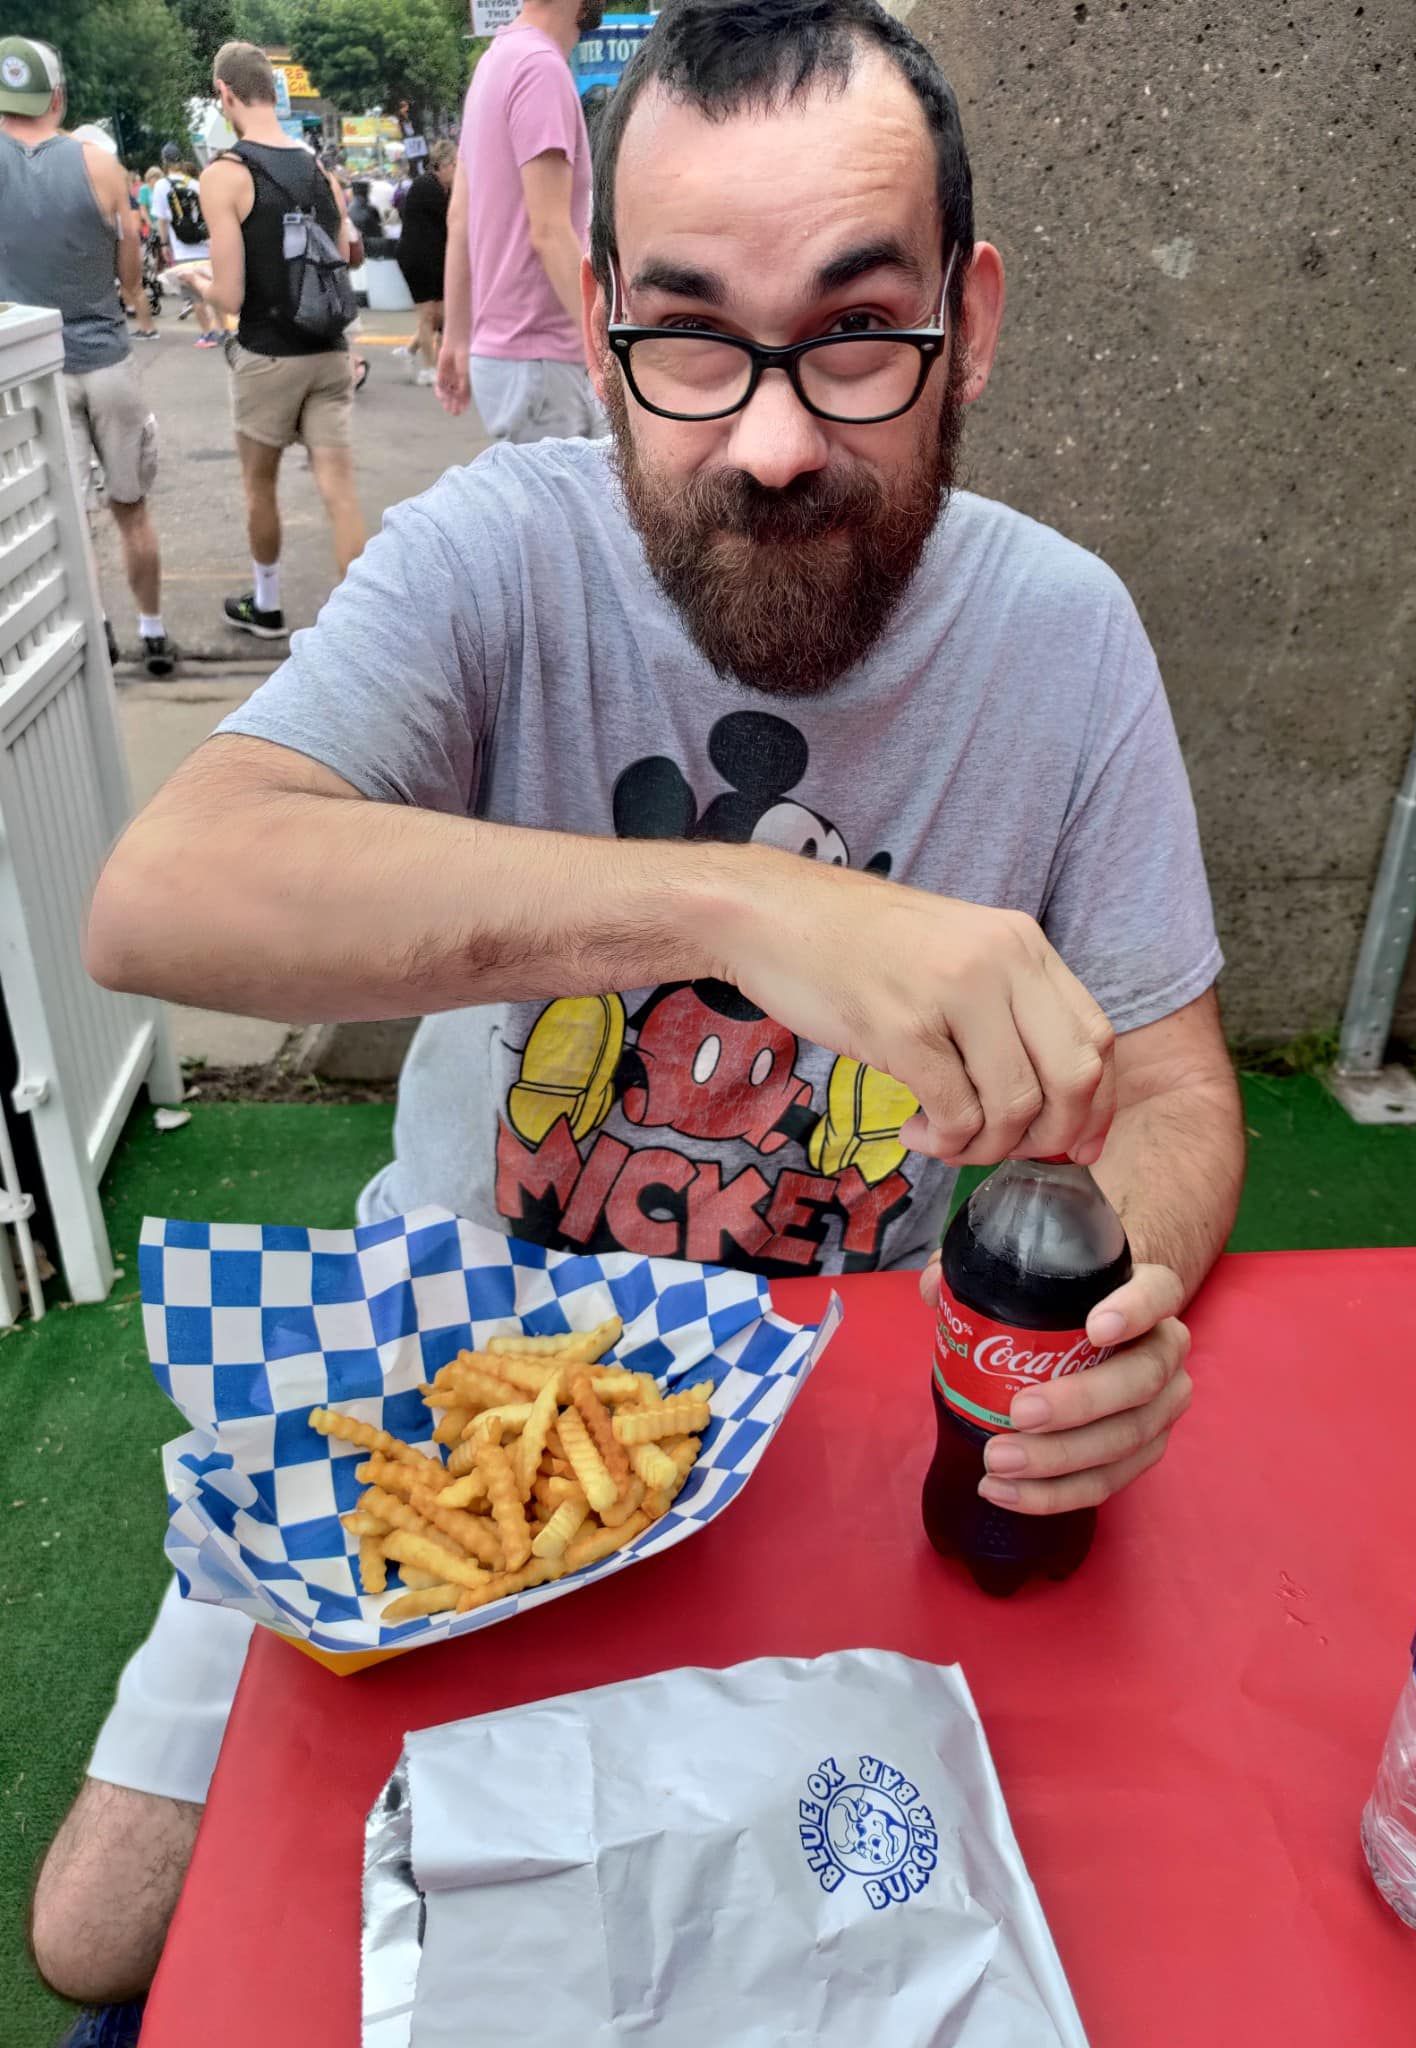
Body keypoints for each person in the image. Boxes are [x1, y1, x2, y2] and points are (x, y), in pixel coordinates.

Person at [36, 0, 1246, 2030]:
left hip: (856, 1438)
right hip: (431, 1399)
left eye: (859, 332)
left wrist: (1127, 1293)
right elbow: (167, 896)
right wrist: (739, 905)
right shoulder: (503, 555)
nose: (771, 437)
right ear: (596, 324)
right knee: (103, 1934)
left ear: (979, 319)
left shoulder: (1067, 642)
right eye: (690, 333)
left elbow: (1181, 1085)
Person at [0, 35, 178, 675]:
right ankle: (154, 634)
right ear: (58, 95)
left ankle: (96, 632)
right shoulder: (101, 165)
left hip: (30, 371)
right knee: (132, 510)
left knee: (68, 521)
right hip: (105, 359)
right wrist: (130, 296)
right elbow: (131, 258)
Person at [186, 40, 365, 641]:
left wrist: (195, 281)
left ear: (225, 94)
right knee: (339, 492)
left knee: (259, 486)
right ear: (273, 90)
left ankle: (266, 606)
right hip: (330, 355)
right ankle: (360, 631)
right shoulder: (320, 172)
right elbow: (341, 262)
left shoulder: (226, 175)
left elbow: (231, 296)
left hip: (267, 357)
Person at [437, 0, 608, 441]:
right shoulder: (540, 68)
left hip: (508, 354)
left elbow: (460, 217)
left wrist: (456, 337)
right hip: (545, 355)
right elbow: (550, 231)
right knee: (579, 508)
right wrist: (607, 347)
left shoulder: (496, 60)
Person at [395, 139, 454, 385]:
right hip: (417, 257)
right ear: (443, 164)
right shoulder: (426, 186)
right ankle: (429, 369)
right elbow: (450, 219)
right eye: (455, 165)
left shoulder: (446, 189)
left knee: (443, 316)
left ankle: (409, 351)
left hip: (437, 257)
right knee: (429, 314)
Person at [150, 142, 220, 348]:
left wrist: (164, 244)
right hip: (204, 245)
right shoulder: (195, 183)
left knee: (195, 296)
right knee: (210, 290)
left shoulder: (162, 186)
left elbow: (162, 220)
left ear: (164, 162)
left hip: (182, 248)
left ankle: (207, 335)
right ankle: (222, 330)